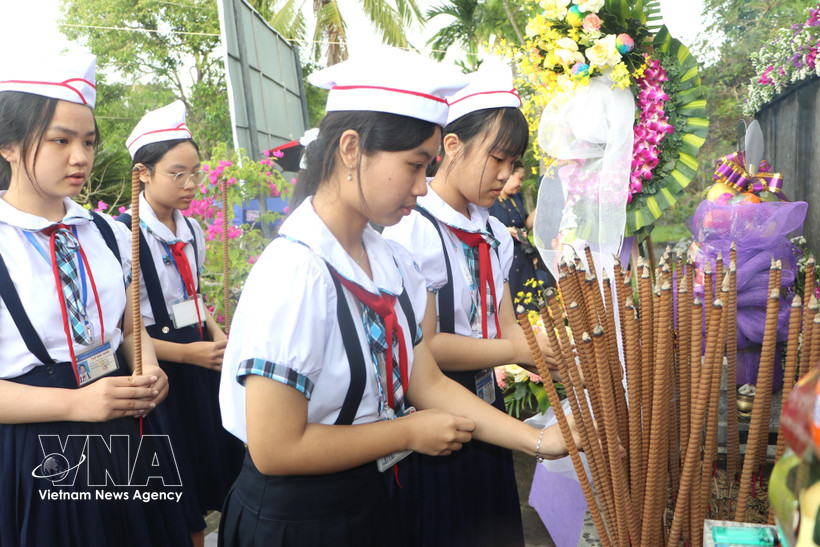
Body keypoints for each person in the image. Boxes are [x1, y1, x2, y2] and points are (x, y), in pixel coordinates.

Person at [218, 48, 577, 547]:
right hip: (298, 521)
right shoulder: (295, 272)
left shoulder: (384, 258)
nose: (421, 186)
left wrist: (539, 440)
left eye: (427, 167)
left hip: (367, 500)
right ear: (351, 148)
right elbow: (275, 447)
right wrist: (406, 433)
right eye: (413, 166)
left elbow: (424, 378)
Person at [0, 53, 191, 546]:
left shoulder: (105, 231)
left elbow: (130, 323)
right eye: (60, 140)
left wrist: (148, 367)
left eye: (87, 141)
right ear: (9, 145)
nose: (80, 157)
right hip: (42, 443)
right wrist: (77, 404)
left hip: (125, 425)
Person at [382, 58, 560, 547]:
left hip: (488, 400)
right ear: (452, 147)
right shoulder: (414, 229)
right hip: (435, 408)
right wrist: (521, 351)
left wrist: (556, 355)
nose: (505, 176)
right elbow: (430, 348)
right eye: (497, 159)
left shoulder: (494, 231)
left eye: (513, 163)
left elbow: (506, 327)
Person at [119, 101, 244, 547]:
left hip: (199, 362)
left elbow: (194, 298)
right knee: (179, 481)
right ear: (143, 174)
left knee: (218, 463)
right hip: (160, 372)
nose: (191, 185)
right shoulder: (122, 235)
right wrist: (189, 353)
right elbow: (125, 332)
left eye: (195, 173)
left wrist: (214, 332)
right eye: (178, 174)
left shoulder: (190, 231)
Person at [488, 160, 554, 301]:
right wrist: (506, 231)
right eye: (520, 178)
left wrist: (542, 203)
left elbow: (525, 226)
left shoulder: (516, 198)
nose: (521, 184)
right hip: (505, 261)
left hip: (524, 259)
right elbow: (485, 230)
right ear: (508, 176)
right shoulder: (490, 201)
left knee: (530, 301)